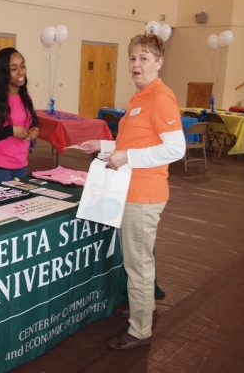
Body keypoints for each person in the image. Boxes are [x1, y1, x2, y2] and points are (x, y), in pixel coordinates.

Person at [79, 34, 185, 350]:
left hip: (145, 194)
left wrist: (128, 157)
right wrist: (106, 145)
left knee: (138, 264)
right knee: (136, 261)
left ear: (159, 62)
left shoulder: (160, 97)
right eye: (133, 58)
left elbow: (175, 149)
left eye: (144, 58)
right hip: (129, 190)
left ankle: (140, 330)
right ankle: (142, 309)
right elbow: (136, 144)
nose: (136, 65)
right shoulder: (140, 97)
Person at [0, 48, 39, 185]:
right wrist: (10, 131)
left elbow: (33, 121)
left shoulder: (25, 97)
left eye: (22, 66)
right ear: (3, 73)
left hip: (21, 165)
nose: (21, 72)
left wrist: (35, 130)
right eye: (14, 69)